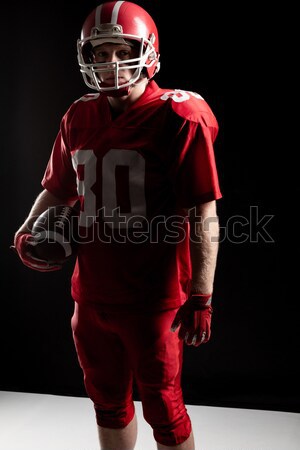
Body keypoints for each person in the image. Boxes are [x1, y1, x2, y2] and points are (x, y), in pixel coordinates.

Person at [12, 1, 222, 449]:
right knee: (106, 401)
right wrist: (30, 226)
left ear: (147, 51)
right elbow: (58, 188)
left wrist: (201, 294)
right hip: (91, 292)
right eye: (99, 51)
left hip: (154, 299)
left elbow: (205, 215)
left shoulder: (179, 115)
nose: (109, 62)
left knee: (165, 409)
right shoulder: (80, 114)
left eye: (119, 48)